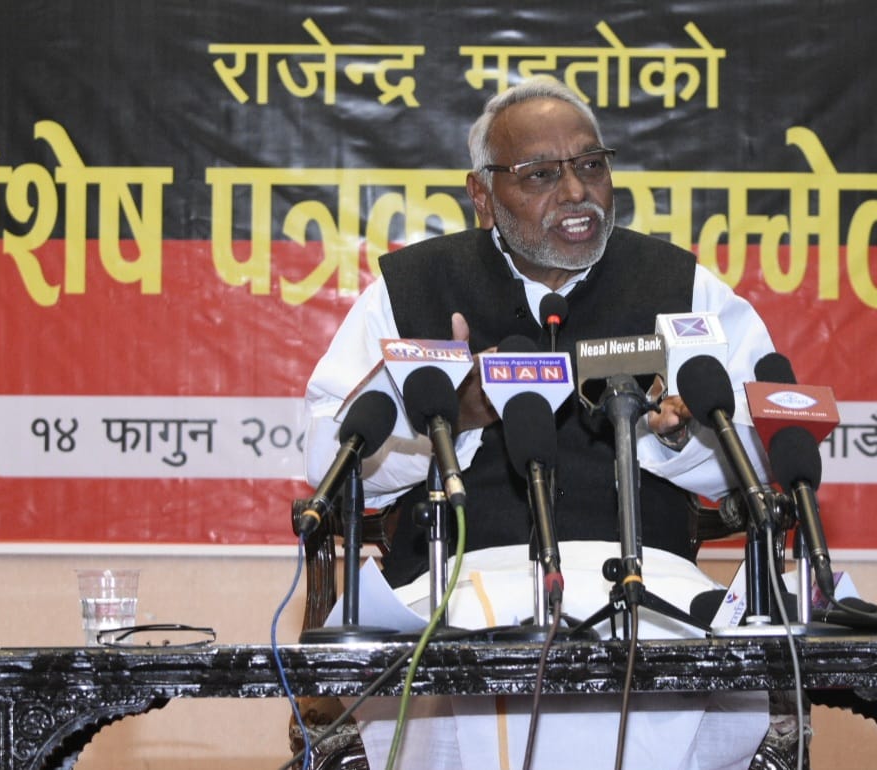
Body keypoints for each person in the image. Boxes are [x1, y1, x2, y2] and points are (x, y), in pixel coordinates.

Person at [303, 77, 776, 770]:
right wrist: (452, 420)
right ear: (482, 195)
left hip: (648, 589)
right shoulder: (410, 293)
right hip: (460, 585)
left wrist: (674, 439)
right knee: (463, 659)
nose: (577, 192)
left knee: (688, 662)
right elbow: (328, 457)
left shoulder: (682, 289)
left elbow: (763, 449)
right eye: (541, 175)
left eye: (591, 165)